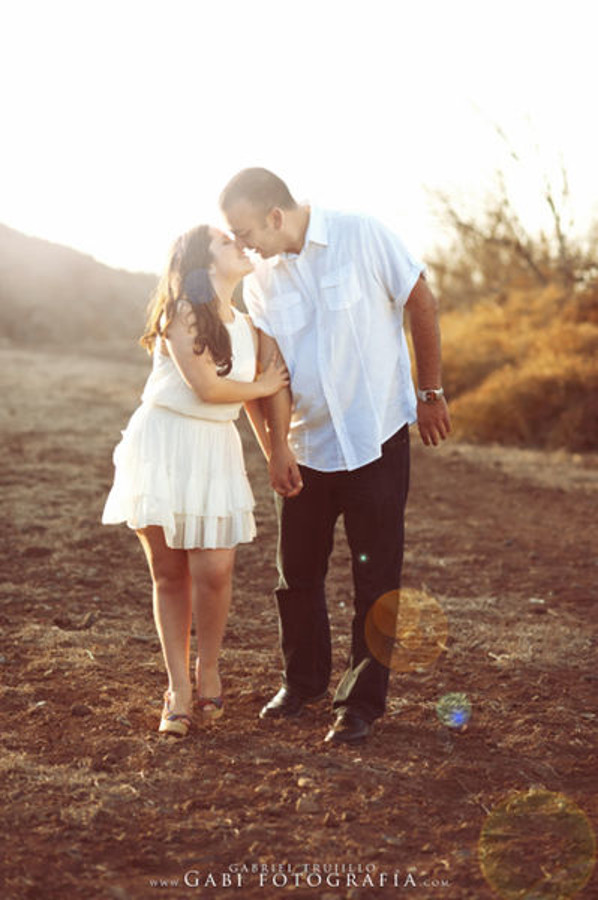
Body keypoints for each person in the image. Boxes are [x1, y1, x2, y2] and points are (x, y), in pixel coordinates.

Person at [220, 168, 451, 745]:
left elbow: (421, 303)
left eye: (247, 232)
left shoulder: (362, 234)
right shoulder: (260, 284)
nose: (245, 246)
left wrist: (431, 393)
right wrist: (276, 451)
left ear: (276, 215)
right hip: (308, 447)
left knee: (377, 576)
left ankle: (361, 703)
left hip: (377, 438)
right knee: (295, 574)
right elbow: (270, 375)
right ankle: (302, 683)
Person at [102, 224, 288, 737]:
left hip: (215, 449)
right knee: (169, 573)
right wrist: (266, 383)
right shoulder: (182, 311)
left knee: (216, 571)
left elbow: (250, 397)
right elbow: (207, 387)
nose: (241, 246)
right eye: (229, 242)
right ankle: (177, 688)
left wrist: (276, 450)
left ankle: (209, 669)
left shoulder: (249, 325)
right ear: (204, 263)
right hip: (165, 443)